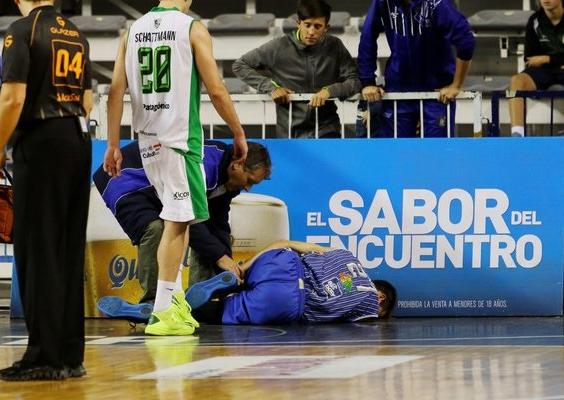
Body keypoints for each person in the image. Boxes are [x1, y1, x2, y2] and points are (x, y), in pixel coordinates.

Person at [103, 0, 248, 336]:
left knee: (179, 223)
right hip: (180, 142)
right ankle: (164, 310)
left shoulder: (132, 31)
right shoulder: (192, 28)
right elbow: (216, 89)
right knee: (178, 221)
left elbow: (114, 91)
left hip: (148, 141)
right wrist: (238, 132)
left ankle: (173, 299)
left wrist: (112, 143)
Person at [0, 0, 92, 380]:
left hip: (41, 140)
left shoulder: (21, 30)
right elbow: (87, 100)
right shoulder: (77, 34)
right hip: (76, 138)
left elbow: (13, 98)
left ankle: (42, 357)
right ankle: (70, 356)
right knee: (68, 247)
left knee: (38, 248)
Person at [94, 140, 271, 318]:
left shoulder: (227, 180)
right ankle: (154, 303)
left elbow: (217, 224)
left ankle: (199, 301)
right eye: (249, 180)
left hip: (158, 182)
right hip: (123, 177)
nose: (248, 188)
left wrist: (228, 267)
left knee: (210, 238)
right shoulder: (205, 167)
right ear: (237, 165)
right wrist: (220, 257)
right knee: (156, 228)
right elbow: (184, 220)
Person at [232, 0, 361, 138]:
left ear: (326, 27)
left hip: (327, 131)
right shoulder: (279, 46)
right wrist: (271, 88)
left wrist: (329, 91)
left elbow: (355, 81)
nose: (311, 31)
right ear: (298, 23)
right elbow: (240, 65)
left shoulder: (335, 46)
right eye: (307, 25)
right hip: (289, 134)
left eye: (317, 26)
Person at [187, 241, 397, 325]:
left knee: (244, 278)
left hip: (283, 261)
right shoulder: (369, 300)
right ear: (381, 297)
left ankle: (236, 280)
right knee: (219, 311)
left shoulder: (346, 255)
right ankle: (185, 310)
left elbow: (285, 242)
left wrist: (247, 265)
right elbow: (347, 301)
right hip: (288, 298)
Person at [358, 0, 475, 137]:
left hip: (437, 93)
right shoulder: (382, 2)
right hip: (398, 89)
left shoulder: (437, 3)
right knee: (396, 152)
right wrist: (368, 82)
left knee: (436, 153)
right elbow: (368, 36)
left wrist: (456, 85)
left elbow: (466, 41)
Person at [509, 0, 564, 137]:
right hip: (543, 72)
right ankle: (517, 134)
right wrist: (558, 60)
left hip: (553, 67)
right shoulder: (534, 21)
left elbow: (539, 59)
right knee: (517, 81)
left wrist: (547, 59)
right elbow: (530, 59)